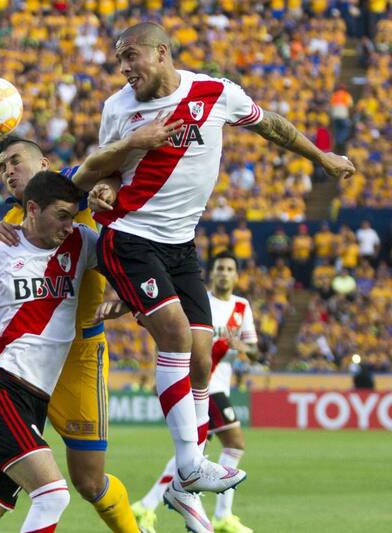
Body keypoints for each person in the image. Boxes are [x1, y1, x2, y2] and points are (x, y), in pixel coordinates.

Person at [72, 21, 354, 530]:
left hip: (182, 246)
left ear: (161, 53)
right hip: (131, 235)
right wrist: (111, 184)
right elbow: (104, 168)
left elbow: (273, 125)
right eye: (119, 60)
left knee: (201, 357)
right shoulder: (118, 108)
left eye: (130, 56)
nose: (123, 68)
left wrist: (321, 157)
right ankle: (188, 464)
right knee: (177, 336)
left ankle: (183, 493)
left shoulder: (215, 93)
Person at [0, 135, 176, 532]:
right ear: (32, 209)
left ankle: (14, 479)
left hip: (76, 356)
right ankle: (9, 468)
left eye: (15, 161)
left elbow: (109, 172)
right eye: (2, 166)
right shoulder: (4, 233)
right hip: (13, 364)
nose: (8, 171)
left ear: (44, 164)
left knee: (89, 481)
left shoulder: (78, 188)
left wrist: (114, 177)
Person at [0, 171, 103, 533]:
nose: (68, 225)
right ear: (32, 208)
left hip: (34, 399)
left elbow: (120, 261)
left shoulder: (81, 241)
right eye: (61, 215)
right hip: (2, 387)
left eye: (73, 216)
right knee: (53, 494)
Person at [130, 252, 258, 533]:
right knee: (232, 443)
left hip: (220, 385)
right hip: (202, 386)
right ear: (211, 273)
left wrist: (239, 345)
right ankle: (222, 516)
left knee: (193, 453)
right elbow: (171, 336)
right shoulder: (200, 301)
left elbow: (255, 350)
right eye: (220, 268)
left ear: (236, 275)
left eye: (229, 269)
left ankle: (147, 506)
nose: (224, 273)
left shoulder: (241, 307)